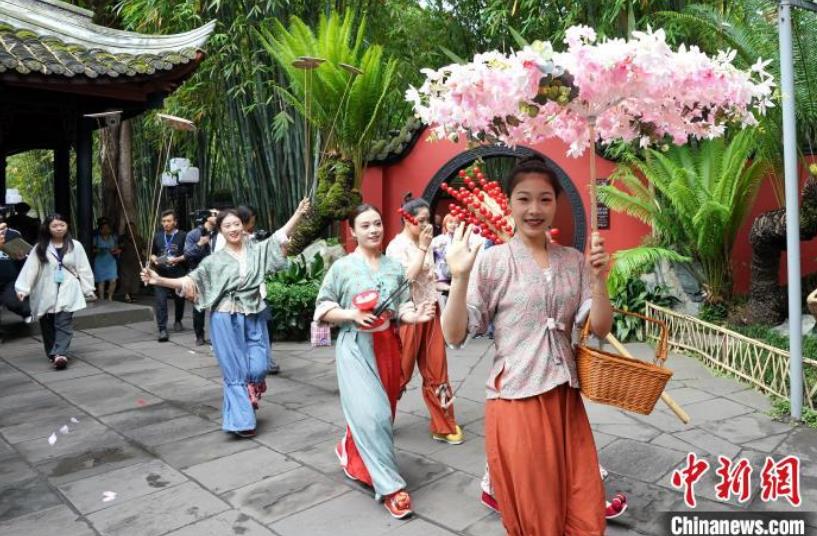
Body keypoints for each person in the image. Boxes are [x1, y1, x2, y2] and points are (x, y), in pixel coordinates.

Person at [441, 157, 613, 535]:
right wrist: (459, 277)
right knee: (538, 517)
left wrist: (600, 280)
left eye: (544, 199)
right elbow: (455, 335)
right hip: (516, 401)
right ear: (509, 203)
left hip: (566, 400)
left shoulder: (573, 261)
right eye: (524, 199)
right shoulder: (493, 262)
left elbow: (599, 327)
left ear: (556, 204)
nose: (534, 209)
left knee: (585, 508)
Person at [314, 204, 435, 519]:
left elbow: (403, 306)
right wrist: (351, 314)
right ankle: (392, 488)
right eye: (365, 225)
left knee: (383, 413)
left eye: (378, 224)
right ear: (353, 232)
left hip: (387, 347)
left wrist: (414, 316)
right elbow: (323, 307)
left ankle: (351, 451)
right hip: (355, 346)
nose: (373, 230)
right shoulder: (342, 267)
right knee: (375, 416)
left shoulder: (394, 267)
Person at [141, 208, 291, 438]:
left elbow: (279, 237)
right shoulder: (214, 261)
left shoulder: (255, 250)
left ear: (243, 226)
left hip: (253, 312)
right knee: (234, 371)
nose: (233, 229)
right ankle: (242, 421)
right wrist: (159, 279)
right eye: (227, 226)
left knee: (259, 366)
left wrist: (299, 213)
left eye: (236, 224)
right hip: (225, 316)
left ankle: (251, 389)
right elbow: (189, 280)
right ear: (220, 230)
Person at [386, 198, 462, 445]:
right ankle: (379, 417)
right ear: (406, 220)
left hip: (430, 312)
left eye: (428, 220)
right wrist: (421, 248)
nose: (425, 225)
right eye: (420, 221)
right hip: (408, 315)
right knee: (400, 372)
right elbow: (405, 278)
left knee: (437, 369)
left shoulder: (426, 242)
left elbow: (430, 275)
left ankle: (444, 423)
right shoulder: (396, 247)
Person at [237, 200, 310, 374]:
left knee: (265, 327)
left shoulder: (251, 241)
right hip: (236, 301)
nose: (251, 227)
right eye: (250, 223)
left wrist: (298, 213)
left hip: (257, 297)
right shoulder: (225, 245)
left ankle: (263, 360)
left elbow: (278, 237)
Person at [15, 214, 95, 370]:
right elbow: (31, 269)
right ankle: (53, 354)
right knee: (47, 323)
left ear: (67, 226)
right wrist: (23, 289)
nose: (59, 228)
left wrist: (88, 289)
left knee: (63, 322)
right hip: (46, 290)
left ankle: (61, 353)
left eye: (62, 225)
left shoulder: (75, 246)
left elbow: (83, 268)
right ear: (48, 228)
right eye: (54, 226)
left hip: (68, 289)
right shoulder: (40, 247)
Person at [150, 210, 187, 342]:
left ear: (175, 222)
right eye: (164, 221)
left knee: (179, 298)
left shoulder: (183, 235)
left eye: (168, 221)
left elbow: (188, 253)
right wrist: (155, 259)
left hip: (177, 272)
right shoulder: (158, 236)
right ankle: (162, 329)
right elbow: (152, 253)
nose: (165, 224)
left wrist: (177, 259)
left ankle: (178, 320)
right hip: (160, 273)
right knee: (160, 300)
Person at [184, 208, 219, 345]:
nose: (218, 216)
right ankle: (199, 335)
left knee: (218, 306)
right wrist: (200, 244)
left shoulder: (221, 233)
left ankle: (216, 336)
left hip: (217, 273)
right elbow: (187, 254)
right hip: (199, 273)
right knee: (199, 306)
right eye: (214, 214)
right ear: (206, 217)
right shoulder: (194, 234)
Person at [0, 216, 31, 322]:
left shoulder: (12, 234)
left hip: (10, 280)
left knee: (13, 301)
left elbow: (25, 259)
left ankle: (27, 312)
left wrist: (25, 280)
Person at [93, 217, 121, 301]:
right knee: (101, 281)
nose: (105, 230)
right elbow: (92, 249)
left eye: (107, 228)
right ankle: (101, 298)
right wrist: (99, 250)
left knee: (113, 280)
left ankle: (110, 297)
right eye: (103, 228)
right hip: (99, 261)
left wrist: (116, 251)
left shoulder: (113, 237)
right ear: (100, 230)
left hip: (111, 261)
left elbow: (118, 248)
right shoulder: (96, 238)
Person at [118, 222, 146, 303]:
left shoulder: (139, 238)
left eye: (132, 228)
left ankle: (133, 294)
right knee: (126, 278)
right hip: (125, 261)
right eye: (128, 228)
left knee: (135, 279)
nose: (130, 230)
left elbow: (144, 247)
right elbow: (119, 247)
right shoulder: (122, 238)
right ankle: (126, 294)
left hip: (136, 261)